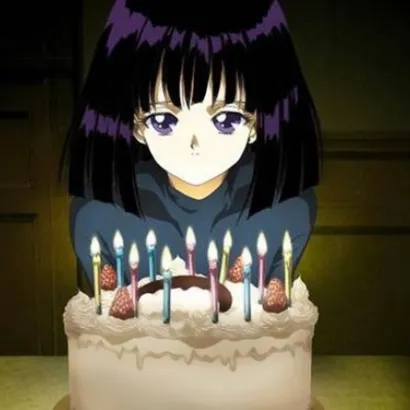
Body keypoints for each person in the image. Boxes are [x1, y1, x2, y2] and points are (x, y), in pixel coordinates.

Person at [61, 0, 322, 289]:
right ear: (135, 124)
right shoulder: (100, 214)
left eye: (227, 120)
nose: (194, 144)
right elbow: (111, 309)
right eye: (163, 120)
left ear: (257, 122)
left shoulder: (286, 209)